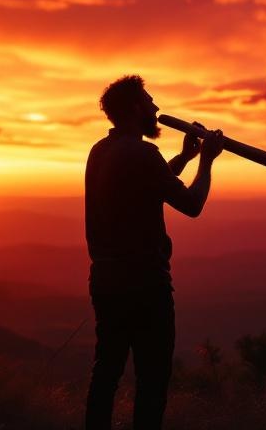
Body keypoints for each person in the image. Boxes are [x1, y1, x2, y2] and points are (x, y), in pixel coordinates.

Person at [84, 75, 223, 430]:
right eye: (149, 101)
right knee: (152, 378)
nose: (156, 108)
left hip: (106, 282)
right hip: (145, 286)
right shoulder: (143, 154)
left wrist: (185, 157)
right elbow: (191, 204)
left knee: (106, 373)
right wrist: (207, 161)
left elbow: (150, 183)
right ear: (135, 109)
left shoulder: (101, 151)